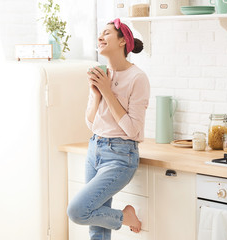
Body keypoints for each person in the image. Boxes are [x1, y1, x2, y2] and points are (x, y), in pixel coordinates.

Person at [67, 18, 150, 240]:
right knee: (96, 225)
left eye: (106, 33)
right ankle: (125, 217)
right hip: (95, 149)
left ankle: (126, 217)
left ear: (123, 41)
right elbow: (91, 124)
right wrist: (96, 95)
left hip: (121, 156)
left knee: (77, 211)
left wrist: (107, 92)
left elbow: (133, 130)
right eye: (99, 34)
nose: (100, 37)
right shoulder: (101, 73)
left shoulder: (137, 78)